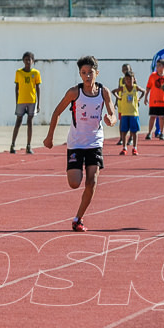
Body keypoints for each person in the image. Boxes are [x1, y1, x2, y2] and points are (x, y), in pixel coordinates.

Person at [43, 55, 116, 232]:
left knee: (92, 182)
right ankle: (77, 170)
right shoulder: (74, 92)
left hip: (95, 142)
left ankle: (78, 218)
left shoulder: (104, 92)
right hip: (76, 143)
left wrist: (110, 120)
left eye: (90, 73)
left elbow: (113, 114)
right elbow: (56, 112)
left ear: (97, 73)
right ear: (80, 74)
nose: (87, 76)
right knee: (74, 183)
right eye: (83, 73)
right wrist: (49, 137)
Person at [11, 51, 42, 154]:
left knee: (30, 122)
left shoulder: (36, 73)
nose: (28, 62)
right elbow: (17, 87)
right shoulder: (19, 72)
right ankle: (12, 144)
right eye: (26, 59)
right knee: (18, 121)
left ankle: (28, 145)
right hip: (21, 100)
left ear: (33, 61)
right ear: (23, 61)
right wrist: (17, 101)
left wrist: (38, 103)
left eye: (30, 59)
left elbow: (38, 88)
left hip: (32, 100)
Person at [112, 64, 144, 155]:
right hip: (124, 112)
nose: (128, 81)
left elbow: (143, 91)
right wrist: (118, 98)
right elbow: (114, 91)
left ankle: (134, 147)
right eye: (127, 79)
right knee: (124, 130)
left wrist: (139, 99)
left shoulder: (135, 87)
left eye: (130, 79)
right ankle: (124, 147)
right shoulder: (123, 86)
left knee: (134, 131)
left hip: (134, 113)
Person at [144, 58, 164, 140]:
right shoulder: (152, 76)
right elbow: (148, 87)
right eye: (157, 65)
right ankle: (149, 133)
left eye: (159, 65)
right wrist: (145, 97)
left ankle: (162, 133)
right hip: (154, 101)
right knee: (152, 117)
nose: (157, 67)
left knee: (162, 117)